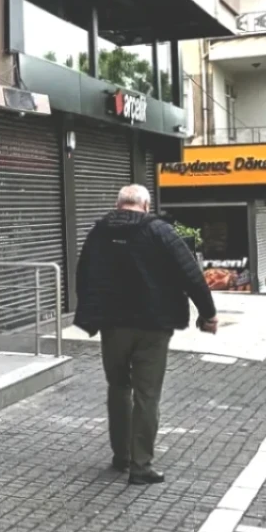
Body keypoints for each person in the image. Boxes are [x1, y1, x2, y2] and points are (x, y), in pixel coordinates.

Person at [74, 184, 217, 485]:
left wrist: (90, 313)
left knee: (117, 387)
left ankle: (121, 456)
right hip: (153, 326)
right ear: (146, 205)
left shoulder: (99, 232)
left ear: (118, 205)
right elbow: (190, 273)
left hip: (113, 325)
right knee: (147, 395)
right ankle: (140, 466)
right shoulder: (160, 231)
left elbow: (83, 273)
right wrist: (208, 313)